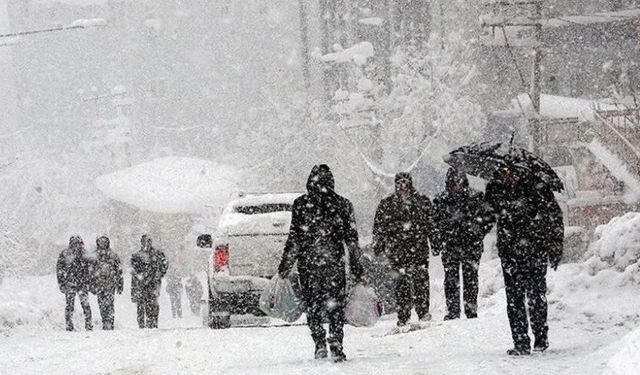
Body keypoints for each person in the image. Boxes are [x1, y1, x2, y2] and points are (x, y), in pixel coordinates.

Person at [278, 164, 364, 362]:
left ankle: (319, 343)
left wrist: (285, 265)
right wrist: (357, 268)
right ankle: (336, 341)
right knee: (336, 306)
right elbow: (351, 240)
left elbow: (295, 238)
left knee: (313, 305)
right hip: (334, 263)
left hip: (309, 264)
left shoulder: (301, 204)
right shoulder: (343, 204)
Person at [485, 166, 563, 355]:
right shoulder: (496, 189)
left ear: (519, 171)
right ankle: (520, 341)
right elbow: (486, 216)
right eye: (503, 171)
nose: (507, 175)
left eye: (511, 171)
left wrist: (554, 247)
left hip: (535, 250)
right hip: (510, 253)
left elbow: (554, 217)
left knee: (536, 296)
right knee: (514, 299)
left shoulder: (537, 187)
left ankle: (540, 337)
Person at [373, 172, 435, 326]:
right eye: (399, 182)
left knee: (421, 281)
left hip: (418, 248)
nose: (402, 186)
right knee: (401, 285)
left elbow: (432, 225)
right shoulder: (387, 204)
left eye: (405, 182)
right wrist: (379, 248)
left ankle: (423, 312)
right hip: (397, 250)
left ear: (410, 183)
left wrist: (435, 243)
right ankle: (403, 316)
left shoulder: (422, 202)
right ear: (395, 184)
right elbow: (379, 229)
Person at [432, 168, 494, 320]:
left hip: (471, 245)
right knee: (451, 279)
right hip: (450, 245)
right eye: (453, 180)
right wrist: (437, 241)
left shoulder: (476, 197)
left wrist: (478, 232)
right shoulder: (441, 200)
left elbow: (489, 218)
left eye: (458, 180)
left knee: (471, 278)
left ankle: (470, 309)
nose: (456, 184)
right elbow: (434, 223)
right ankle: (453, 311)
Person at [56, 235, 93, 331]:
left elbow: (90, 269)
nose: (76, 245)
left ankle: (88, 325)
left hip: (82, 283)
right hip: (70, 283)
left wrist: (89, 281)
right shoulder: (65, 254)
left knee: (85, 305)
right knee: (70, 306)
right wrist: (61, 283)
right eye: (74, 243)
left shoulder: (84, 254)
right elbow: (60, 269)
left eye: (78, 242)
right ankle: (69, 325)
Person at [131, 235, 168, 329]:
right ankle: (142, 324)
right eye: (145, 241)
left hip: (153, 283)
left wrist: (159, 274)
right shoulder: (137, 256)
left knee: (153, 304)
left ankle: (153, 323)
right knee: (140, 305)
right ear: (141, 243)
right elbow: (134, 270)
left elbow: (164, 264)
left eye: (148, 241)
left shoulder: (157, 254)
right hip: (141, 284)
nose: (147, 244)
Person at [92, 235, 123, 330]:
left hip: (110, 285)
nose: (102, 243)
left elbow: (119, 271)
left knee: (109, 304)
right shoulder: (94, 256)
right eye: (100, 241)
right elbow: (90, 271)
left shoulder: (113, 255)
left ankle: (110, 323)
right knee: (101, 305)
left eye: (104, 241)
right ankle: (104, 322)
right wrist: (91, 284)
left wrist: (120, 284)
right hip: (99, 285)